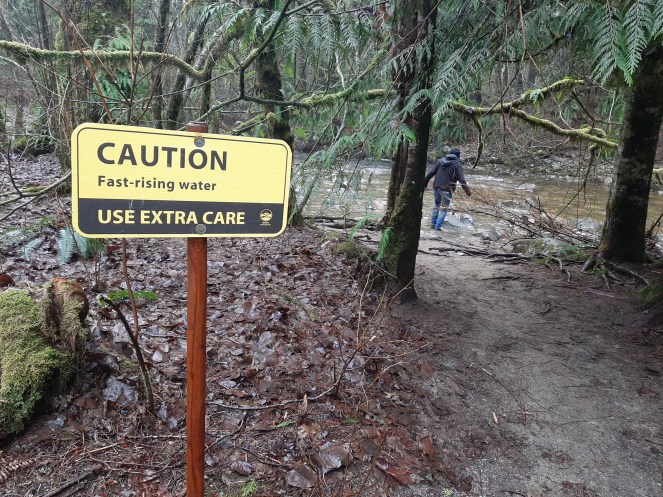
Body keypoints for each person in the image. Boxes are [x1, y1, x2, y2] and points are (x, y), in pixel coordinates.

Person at [424, 147, 471, 230]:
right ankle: (437, 227)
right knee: (444, 209)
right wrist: (467, 191)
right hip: (447, 189)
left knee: (436, 206)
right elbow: (462, 179)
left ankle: (433, 224)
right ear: (458, 155)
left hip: (436, 187)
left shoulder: (440, 161)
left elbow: (431, 173)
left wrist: (424, 184)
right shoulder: (457, 164)